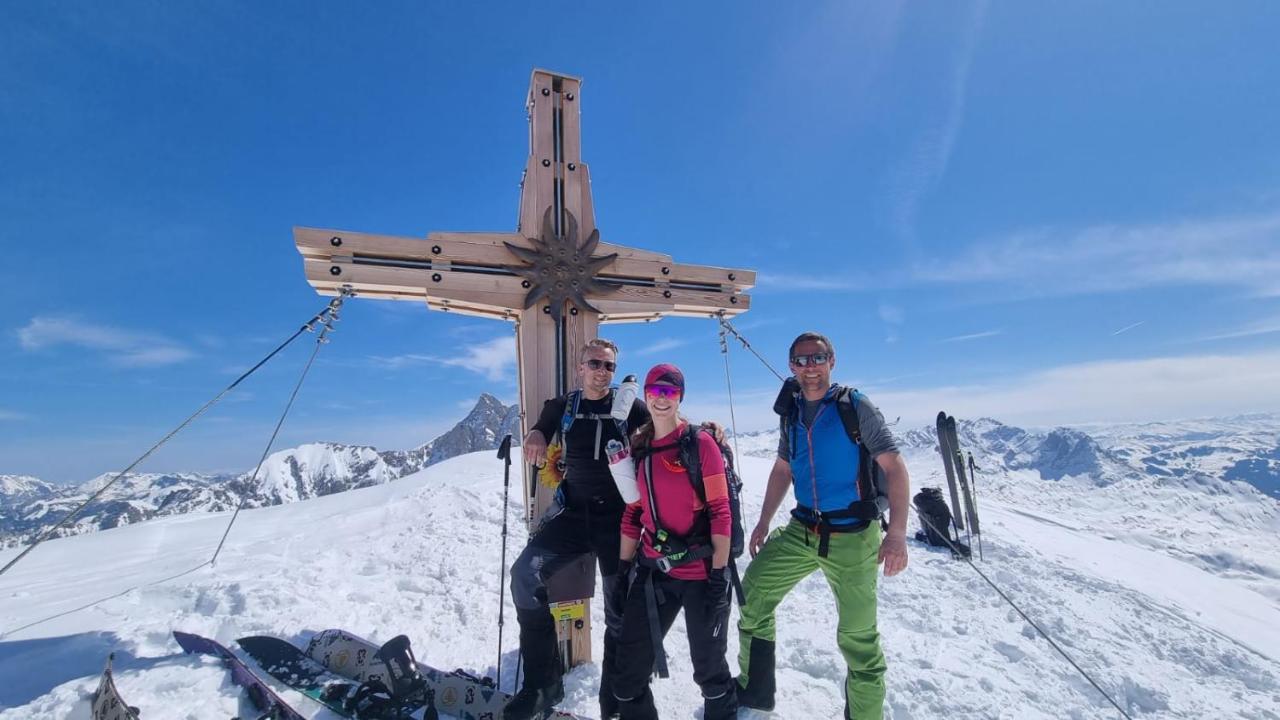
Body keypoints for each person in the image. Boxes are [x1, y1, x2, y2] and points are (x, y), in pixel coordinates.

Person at [735, 331, 910, 720]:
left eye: (817, 358)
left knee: (858, 638)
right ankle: (754, 694)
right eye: (801, 360)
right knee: (753, 598)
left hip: (852, 535)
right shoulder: (792, 411)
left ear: (832, 360)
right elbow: (783, 468)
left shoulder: (855, 406)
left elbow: (894, 466)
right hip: (803, 529)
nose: (809, 367)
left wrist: (896, 533)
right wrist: (764, 520)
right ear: (791, 366)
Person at [505, 338, 649, 720]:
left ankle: (615, 697)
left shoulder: (629, 407)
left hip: (618, 520)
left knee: (620, 606)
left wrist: (707, 431)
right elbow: (544, 425)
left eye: (609, 366)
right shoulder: (563, 407)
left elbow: (663, 431)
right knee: (524, 576)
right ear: (580, 366)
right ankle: (542, 682)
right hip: (572, 516)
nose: (602, 371)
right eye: (595, 363)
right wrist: (536, 433)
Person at [611, 363, 738, 720]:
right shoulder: (640, 447)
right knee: (627, 675)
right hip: (655, 574)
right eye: (655, 391)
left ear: (679, 396)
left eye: (669, 391)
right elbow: (634, 513)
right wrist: (623, 571)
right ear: (646, 395)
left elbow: (720, 511)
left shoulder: (699, 444)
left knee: (710, 672)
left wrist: (718, 576)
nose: (661, 398)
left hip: (701, 575)